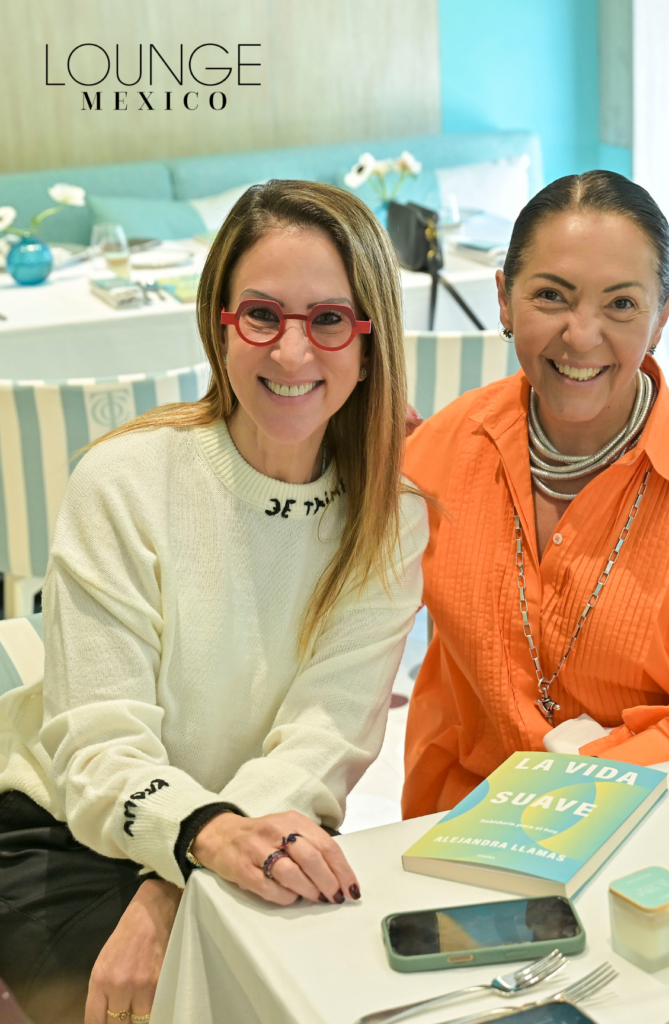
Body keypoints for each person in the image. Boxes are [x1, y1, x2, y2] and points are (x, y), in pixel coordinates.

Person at [0, 179, 428, 1023]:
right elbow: (98, 747)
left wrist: (186, 876)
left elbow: (322, 740)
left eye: (329, 320)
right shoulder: (125, 481)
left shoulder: (392, 518)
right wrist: (201, 845)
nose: (293, 353)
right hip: (71, 828)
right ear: (220, 324)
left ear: (369, 340)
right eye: (262, 314)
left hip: (254, 827)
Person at [402, 170, 669, 819]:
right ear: (504, 299)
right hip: (457, 822)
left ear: (661, 318)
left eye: (621, 304)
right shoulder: (440, 452)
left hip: (651, 829)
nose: (581, 335)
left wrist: (588, 769)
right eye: (551, 296)